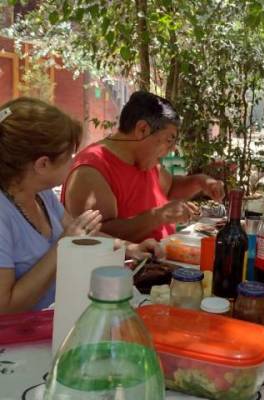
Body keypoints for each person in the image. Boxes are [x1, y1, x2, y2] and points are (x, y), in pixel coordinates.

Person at [0, 98, 158, 313]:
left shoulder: (41, 193)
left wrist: (130, 247)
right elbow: (5, 308)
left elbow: (81, 235)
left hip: (57, 320)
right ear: (43, 164)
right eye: (69, 156)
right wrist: (62, 246)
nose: (74, 161)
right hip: (19, 342)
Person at [62, 91, 225, 243]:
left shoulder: (145, 160)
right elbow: (96, 237)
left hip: (164, 261)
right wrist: (159, 216)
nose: (173, 148)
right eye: (169, 139)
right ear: (142, 130)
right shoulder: (92, 170)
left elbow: (171, 187)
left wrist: (201, 182)